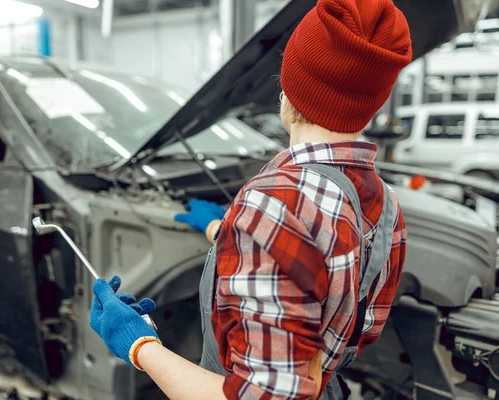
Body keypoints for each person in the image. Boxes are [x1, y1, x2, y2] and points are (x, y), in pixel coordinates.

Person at [89, 0, 411, 398]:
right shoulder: (387, 205)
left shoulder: (273, 203)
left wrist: (140, 345)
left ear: (289, 91)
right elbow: (319, 266)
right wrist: (221, 230)